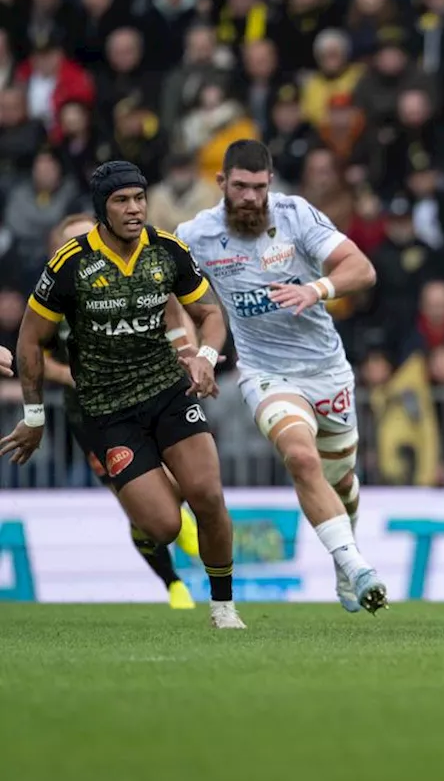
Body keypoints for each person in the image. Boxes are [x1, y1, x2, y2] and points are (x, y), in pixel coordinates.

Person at [0, 161, 244, 629]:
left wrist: (204, 357)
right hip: (108, 412)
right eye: (121, 201)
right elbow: (29, 341)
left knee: (208, 496)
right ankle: (159, 550)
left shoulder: (166, 250)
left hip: (168, 393)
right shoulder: (70, 263)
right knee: (165, 526)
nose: (134, 209)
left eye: (139, 198)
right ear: (102, 209)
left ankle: (223, 607)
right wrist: (34, 416)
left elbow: (209, 314)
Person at [178, 140, 387, 615]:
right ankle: (356, 567)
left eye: (258, 187)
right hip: (265, 371)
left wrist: (317, 289)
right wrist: (196, 351)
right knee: (299, 457)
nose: (250, 196)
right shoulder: (196, 235)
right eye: (240, 187)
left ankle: (343, 563)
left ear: (269, 183)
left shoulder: (296, 215)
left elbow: (362, 268)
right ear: (222, 184)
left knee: (341, 481)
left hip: (327, 370)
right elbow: (175, 294)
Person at [42, 213, 202, 609]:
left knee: (175, 476)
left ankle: (180, 522)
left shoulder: (127, 283)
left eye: (89, 240)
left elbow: (173, 313)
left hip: (143, 395)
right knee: (134, 498)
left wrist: (187, 355)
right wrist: (70, 376)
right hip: (90, 416)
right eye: (72, 243)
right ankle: (173, 583)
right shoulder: (53, 297)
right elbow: (34, 355)